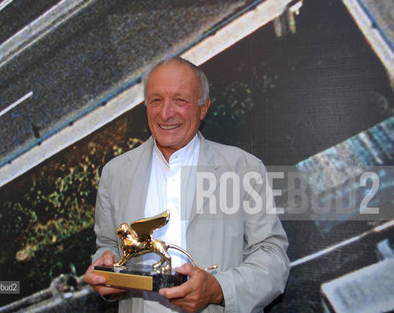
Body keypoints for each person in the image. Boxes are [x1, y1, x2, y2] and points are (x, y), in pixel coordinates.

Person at [84, 56, 290, 313]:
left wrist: (218, 288)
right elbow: (107, 244)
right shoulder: (115, 173)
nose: (166, 112)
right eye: (156, 100)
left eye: (180, 100)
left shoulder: (243, 169)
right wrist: (106, 263)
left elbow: (273, 259)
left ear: (203, 108)